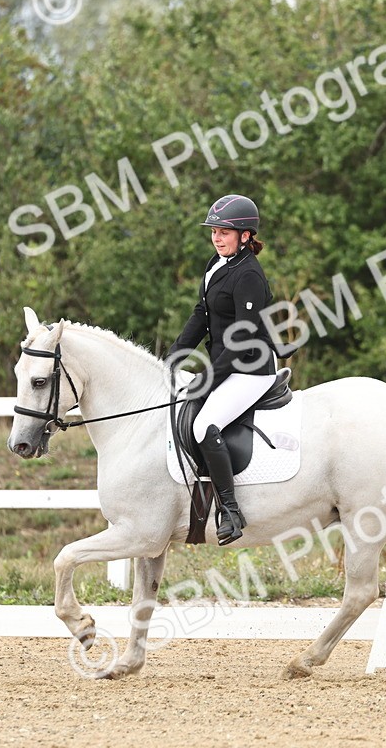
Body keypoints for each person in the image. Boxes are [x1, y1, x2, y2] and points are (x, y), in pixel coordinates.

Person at [166, 194, 278, 545]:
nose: (217, 237)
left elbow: (243, 337)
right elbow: (201, 315)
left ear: (245, 235)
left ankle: (230, 510)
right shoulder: (216, 263)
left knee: (204, 424)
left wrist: (209, 377)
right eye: (214, 231)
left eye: (225, 232)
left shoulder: (248, 275)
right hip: (225, 364)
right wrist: (173, 357)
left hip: (251, 369)